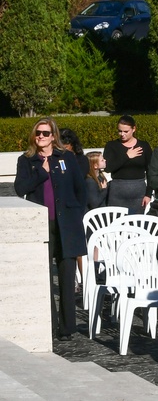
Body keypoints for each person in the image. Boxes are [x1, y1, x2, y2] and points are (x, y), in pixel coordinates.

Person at [15, 117, 87, 341]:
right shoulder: (27, 160)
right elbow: (20, 189)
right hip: (41, 225)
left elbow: (80, 189)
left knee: (66, 276)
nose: (41, 137)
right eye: (38, 133)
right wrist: (42, 172)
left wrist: (76, 214)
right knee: (44, 276)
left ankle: (67, 329)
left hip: (66, 224)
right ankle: (49, 324)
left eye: (45, 133)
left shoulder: (66, 158)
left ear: (53, 136)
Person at [103, 115, 152, 214]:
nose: (122, 134)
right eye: (119, 131)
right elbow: (108, 168)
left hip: (138, 193)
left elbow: (151, 170)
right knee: (115, 224)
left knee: (136, 224)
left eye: (126, 131)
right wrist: (127, 156)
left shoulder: (144, 146)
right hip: (117, 192)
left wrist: (148, 194)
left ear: (134, 129)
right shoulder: (112, 146)